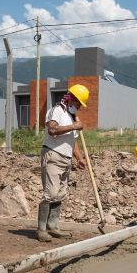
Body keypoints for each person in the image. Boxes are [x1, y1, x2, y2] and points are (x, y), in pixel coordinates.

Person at [37, 84, 88, 242]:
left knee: (60, 194)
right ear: (72, 99)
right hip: (53, 155)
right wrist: (74, 126)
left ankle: (53, 226)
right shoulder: (57, 110)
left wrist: (79, 158)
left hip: (66, 159)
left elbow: (73, 142)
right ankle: (41, 230)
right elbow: (52, 130)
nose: (79, 106)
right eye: (79, 103)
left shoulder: (71, 115)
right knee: (50, 193)